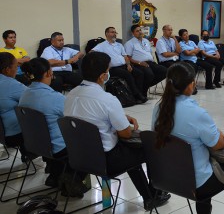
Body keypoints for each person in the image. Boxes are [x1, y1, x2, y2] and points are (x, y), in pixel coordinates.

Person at [64, 52, 170, 209]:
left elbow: (90, 117)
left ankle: (149, 195)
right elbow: (126, 134)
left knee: (130, 151)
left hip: (77, 156)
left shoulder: (71, 95)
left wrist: (120, 116)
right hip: (105, 160)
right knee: (148, 147)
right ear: (102, 76)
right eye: (108, 71)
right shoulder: (107, 99)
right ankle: (152, 196)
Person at [152, 62, 224, 214]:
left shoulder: (158, 108)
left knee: (201, 160)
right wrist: (220, 134)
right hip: (195, 184)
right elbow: (219, 145)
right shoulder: (196, 113)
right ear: (191, 85)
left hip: (165, 178)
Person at [19, 58, 87, 196]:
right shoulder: (54, 97)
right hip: (56, 148)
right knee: (90, 140)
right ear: (49, 73)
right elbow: (77, 119)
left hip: (35, 145)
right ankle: (72, 177)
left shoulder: (24, 94)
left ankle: (55, 175)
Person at [92, 27, 147, 103]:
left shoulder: (119, 45)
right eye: (112, 32)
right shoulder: (102, 45)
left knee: (139, 73)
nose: (114, 34)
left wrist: (128, 65)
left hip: (124, 66)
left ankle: (138, 95)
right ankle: (136, 95)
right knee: (127, 75)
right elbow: (91, 53)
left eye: (115, 32)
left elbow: (125, 57)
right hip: (113, 68)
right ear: (107, 34)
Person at [124, 25, 167, 97]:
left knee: (165, 71)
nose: (140, 32)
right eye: (137, 31)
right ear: (133, 33)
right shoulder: (129, 43)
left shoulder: (146, 41)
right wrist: (139, 62)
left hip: (150, 62)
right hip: (138, 63)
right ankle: (143, 92)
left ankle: (145, 87)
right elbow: (128, 58)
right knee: (149, 74)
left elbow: (150, 53)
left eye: (140, 30)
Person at [0, 52, 28, 159]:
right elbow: (34, 98)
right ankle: (54, 167)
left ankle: (26, 154)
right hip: (13, 135)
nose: (17, 70)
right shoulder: (10, 84)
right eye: (16, 67)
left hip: (2, 134)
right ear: (7, 69)